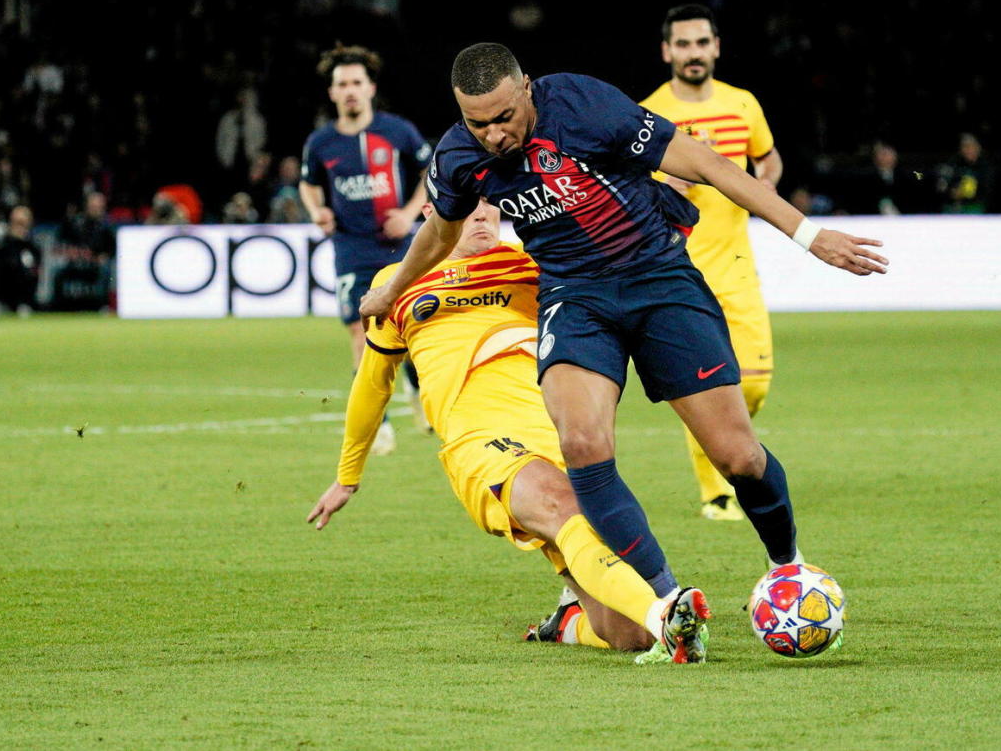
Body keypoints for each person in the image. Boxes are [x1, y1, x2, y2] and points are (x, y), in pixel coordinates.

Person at [359, 43, 887, 659]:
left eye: (504, 116)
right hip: (574, 296)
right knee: (582, 443)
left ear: (526, 88)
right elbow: (440, 232)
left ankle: (788, 566)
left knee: (738, 456)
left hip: (658, 279)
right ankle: (669, 609)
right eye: (479, 122)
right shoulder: (458, 157)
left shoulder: (583, 105)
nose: (494, 134)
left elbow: (709, 164)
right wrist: (394, 288)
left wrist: (809, 234)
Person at [307, 199, 709, 663]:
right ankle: (664, 617)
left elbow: (623, 270)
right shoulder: (395, 284)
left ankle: (572, 624)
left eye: (490, 206)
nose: (482, 216)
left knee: (623, 633)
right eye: (467, 207)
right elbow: (373, 385)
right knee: (563, 504)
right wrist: (347, 475)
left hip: (560, 437)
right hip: (479, 441)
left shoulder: (533, 265)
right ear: (429, 212)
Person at [639, 3, 782, 521]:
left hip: (738, 266)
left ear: (716, 47)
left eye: (702, 42)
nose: (693, 52)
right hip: (680, 272)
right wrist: (670, 183)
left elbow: (767, 156)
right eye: (683, 44)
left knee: (754, 384)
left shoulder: (743, 104)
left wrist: (764, 186)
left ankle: (726, 449)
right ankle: (717, 493)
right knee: (703, 382)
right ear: (667, 51)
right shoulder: (648, 114)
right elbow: (632, 192)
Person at [299, 43, 434, 449]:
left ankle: (418, 393)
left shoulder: (397, 131)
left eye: (357, 82)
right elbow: (308, 183)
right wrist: (317, 210)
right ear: (333, 93)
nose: (350, 90)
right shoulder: (321, 142)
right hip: (351, 248)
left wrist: (410, 213)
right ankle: (379, 422)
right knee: (361, 332)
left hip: (399, 246)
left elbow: (429, 168)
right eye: (343, 84)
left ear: (371, 87)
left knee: (411, 325)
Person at [0, 205, 41, 316]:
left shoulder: (33, 248)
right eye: (17, 223)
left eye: (24, 223)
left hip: (24, 303)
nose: (21, 227)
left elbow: (33, 277)